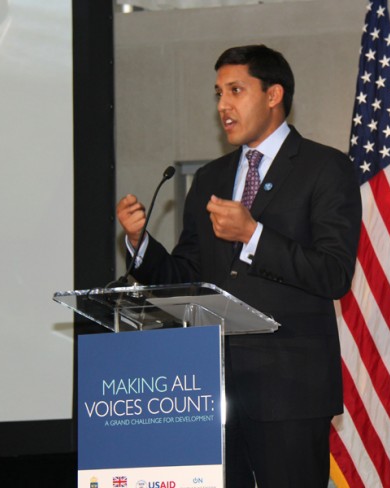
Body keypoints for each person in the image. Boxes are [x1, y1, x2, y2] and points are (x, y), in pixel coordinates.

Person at [116, 44, 362, 488]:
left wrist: (254, 235)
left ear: (273, 95)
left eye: (235, 90)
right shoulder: (210, 177)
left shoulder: (325, 168)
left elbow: (333, 273)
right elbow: (185, 274)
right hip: (210, 391)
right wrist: (140, 245)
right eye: (217, 94)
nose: (223, 106)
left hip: (289, 392)